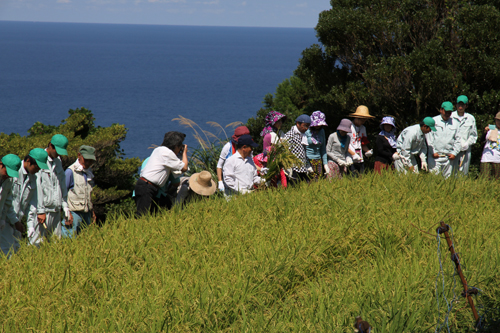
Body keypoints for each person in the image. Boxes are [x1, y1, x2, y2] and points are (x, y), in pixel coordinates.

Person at [135, 131, 188, 217]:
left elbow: (176, 167)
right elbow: (184, 168)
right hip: (147, 187)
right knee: (142, 216)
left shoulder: (158, 150)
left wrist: (178, 153)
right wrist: (184, 152)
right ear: (176, 146)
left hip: (145, 186)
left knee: (148, 215)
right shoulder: (167, 153)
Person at [11, 149, 49, 249]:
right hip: (6, 220)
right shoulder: (14, 172)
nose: (38, 170)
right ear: (28, 161)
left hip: (17, 221)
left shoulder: (33, 177)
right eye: (37, 167)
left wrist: (30, 225)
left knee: (16, 249)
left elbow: (32, 204)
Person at [36, 134, 71, 242]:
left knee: (56, 242)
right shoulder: (39, 159)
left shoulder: (58, 161)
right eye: (57, 150)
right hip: (43, 211)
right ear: (51, 146)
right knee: (39, 243)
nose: (58, 154)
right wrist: (40, 210)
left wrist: (65, 207)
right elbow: (37, 187)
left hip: (56, 210)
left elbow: (62, 184)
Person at [62, 145, 96, 238]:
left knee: (85, 239)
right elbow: (63, 193)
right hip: (73, 212)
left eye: (91, 161)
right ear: (79, 156)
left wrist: (92, 211)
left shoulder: (89, 172)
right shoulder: (70, 171)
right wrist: (66, 213)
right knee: (69, 239)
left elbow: (88, 194)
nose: (88, 163)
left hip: (86, 212)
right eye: (86, 159)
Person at [426, 101, 461, 178]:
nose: (448, 114)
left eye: (450, 112)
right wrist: (433, 152)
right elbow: (429, 138)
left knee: (446, 180)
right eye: (446, 111)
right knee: (434, 179)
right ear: (441, 110)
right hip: (435, 156)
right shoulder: (433, 121)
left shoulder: (455, 123)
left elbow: (458, 140)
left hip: (448, 157)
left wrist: (454, 153)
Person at [0, 154, 25, 257]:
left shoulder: (8, 181)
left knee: (9, 250)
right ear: (1, 165)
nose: (8, 176)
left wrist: (15, 221)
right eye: (7, 172)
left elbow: (7, 204)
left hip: (1, 220)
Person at [255, 111, 286, 186]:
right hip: (271, 163)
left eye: (281, 121)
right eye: (278, 121)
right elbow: (267, 152)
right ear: (272, 122)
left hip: (280, 161)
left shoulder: (280, 133)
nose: (280, 123)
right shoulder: (269, 135)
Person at [216, 126, 251, 192]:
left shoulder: (247, 148)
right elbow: (219, 166)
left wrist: (261, 169)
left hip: (244, 184)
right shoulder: (228, 147)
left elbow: (250, 163)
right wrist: (220, 181)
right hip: (230, 185)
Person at [451, 95, 477, 176]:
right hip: (452, 149)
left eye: (462, 104)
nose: (460, 106)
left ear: (466, 106)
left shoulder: (470, 118)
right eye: (459, 104)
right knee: (451, 172)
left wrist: (467, 143)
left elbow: (474, 135)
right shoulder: (451, 116)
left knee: (464, 173)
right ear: (456, 105)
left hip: (465, 149)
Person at [282, 114, 311, 186]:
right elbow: (285, 151)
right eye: (305, 125)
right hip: (294, 169)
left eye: (308, 126)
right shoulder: (290, 135)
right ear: (298, 124)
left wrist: (308, 165)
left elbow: (303, 152)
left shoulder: (303, 135)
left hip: (302, 168)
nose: (306, 128)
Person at [348, 105, 374, 175]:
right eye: (362, 119)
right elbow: (344, 144)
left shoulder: (363, 128)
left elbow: (363, 143)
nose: (363, 122)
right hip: (350, 158)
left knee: (360, 176)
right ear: (356, 117)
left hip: (359, 157)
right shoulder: (349, 126)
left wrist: (368, 151)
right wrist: (353, 154)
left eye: (365, 120)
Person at [305, 111, 328, 180]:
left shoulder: (322, 131)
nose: (318, 126)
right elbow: (303, 148)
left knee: (318, 182)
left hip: (318, 160)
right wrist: (306, 164)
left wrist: (325, 164)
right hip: (308, 159)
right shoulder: (306, 131)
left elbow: (323, 148)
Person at [479, 111, 500, 179]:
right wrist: (485, 132)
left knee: (496, 181)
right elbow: (481, 140)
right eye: (498, 120)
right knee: (484, 180)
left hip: (498, 159)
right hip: (487, 158)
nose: (499, 122)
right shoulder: (491, 128)